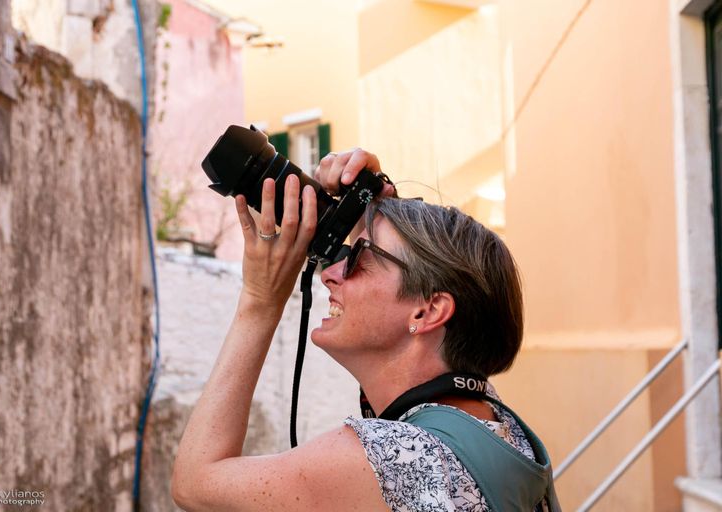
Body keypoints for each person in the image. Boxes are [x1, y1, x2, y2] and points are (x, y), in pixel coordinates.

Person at [171, 148, 560, 512]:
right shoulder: (493, 428)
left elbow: (195, 482)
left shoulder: (394, 457)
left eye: (357, 256)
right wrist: (373, 209)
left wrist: (261, 300)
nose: (330, 274)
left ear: (428, 311)